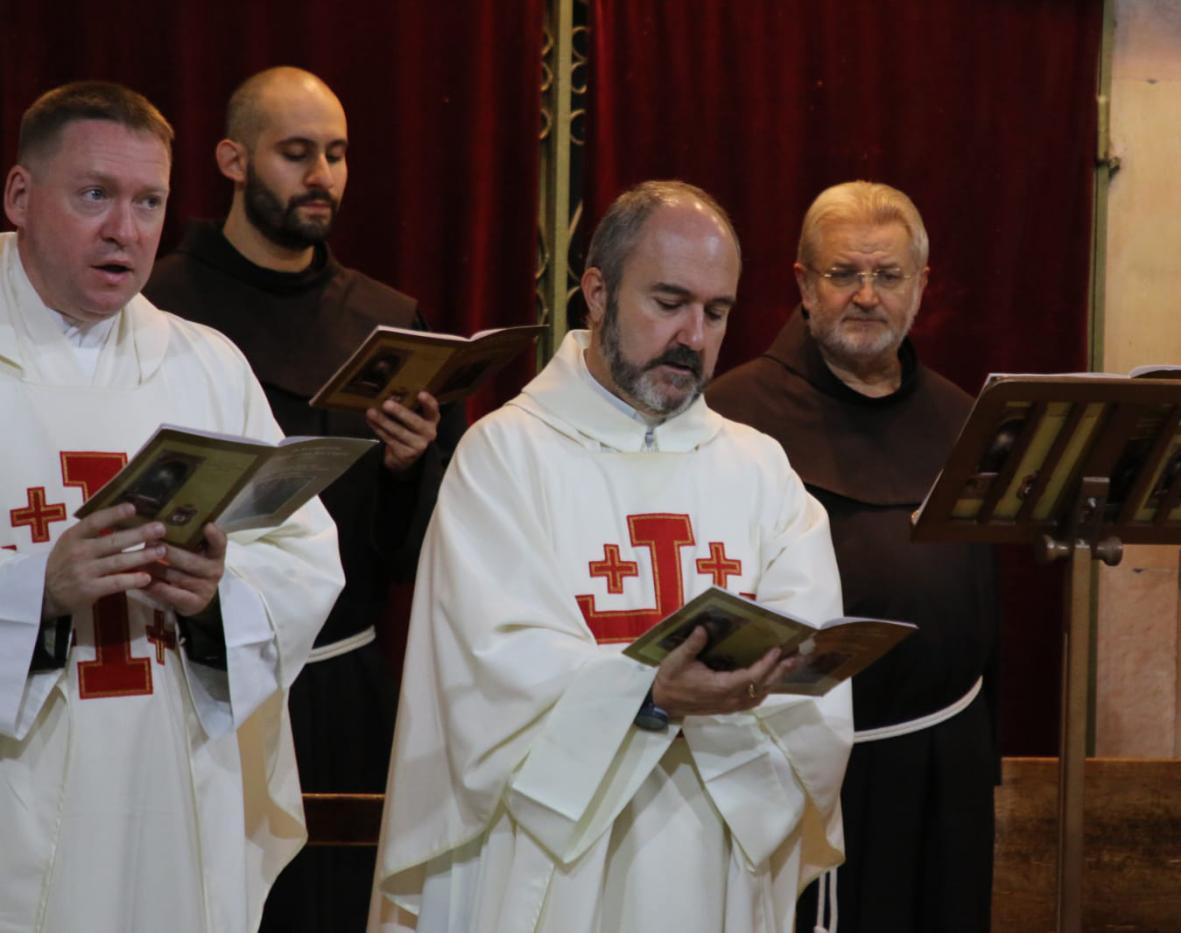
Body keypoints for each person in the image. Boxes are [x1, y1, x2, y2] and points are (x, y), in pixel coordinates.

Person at [370, 180, 852, 933]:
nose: (694, 335)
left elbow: (812, 680)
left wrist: (737, 688)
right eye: (668, 302)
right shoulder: (505, 456)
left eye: (717, 311)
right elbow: (491, 676)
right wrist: (653, 693)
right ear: (595, 293)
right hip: (552, 861)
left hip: (715, 855)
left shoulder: (762, 472)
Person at [0, 81, 342, 932]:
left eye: (149, 200)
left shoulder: (204, 366)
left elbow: (304, 556)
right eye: (95, 195)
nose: (127, 230)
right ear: (19, 195)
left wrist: (219, 591)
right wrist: (39, 589)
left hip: (173, 783)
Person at [142, 67, 460, 932]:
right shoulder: (158, 309)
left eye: (337, 153)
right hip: (199, 674)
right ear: (233, 159)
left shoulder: (388, 320)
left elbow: (411, 558)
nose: (322, 174)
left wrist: (406, 472)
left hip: (343, 678)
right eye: (296, 152)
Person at [708, 181, 1000, 932]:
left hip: (943, 761)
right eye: (843, 274)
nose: (866, 295)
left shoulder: (966, 419)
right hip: (801, 768)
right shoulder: (734, 418)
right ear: (803, 285)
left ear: (922, 287)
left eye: (888, 275)